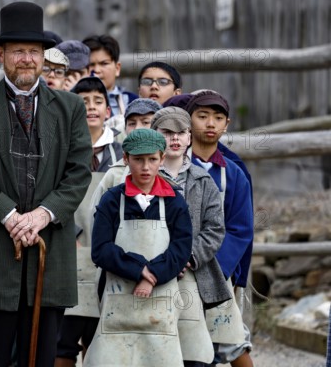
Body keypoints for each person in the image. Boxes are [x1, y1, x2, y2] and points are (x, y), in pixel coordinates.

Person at [0, 1, 93, 367]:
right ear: (1, 55)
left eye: (34, 51)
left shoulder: (70, 108)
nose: (27, 59)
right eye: (18, 51)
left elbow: (78, 173)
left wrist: (43, 216)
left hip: (49, 256)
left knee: (41, 360)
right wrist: (10, 217)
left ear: (44, 57)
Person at [84, 128, 193, 366]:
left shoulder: (175, 201)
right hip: (117, 303)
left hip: (161, 305)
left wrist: (151, 275)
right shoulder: (112, 200)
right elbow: (101, 249)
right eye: (138, 159)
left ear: (162, 159)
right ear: (125, 159)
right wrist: (139, 269)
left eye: (152, 159)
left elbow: (181, 249)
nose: (146, 167)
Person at [150, 107, 231, 366]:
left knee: (194, 353)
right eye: (166, 132)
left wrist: (187, 257)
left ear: (189, 138)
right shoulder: (141, 178)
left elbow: (215, 229)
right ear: (154, 135)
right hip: (148, 274)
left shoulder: (203, 180)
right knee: (153, 347)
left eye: (181, 132)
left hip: (191, 275)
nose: (174, 139)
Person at [55, 76, 122, 367]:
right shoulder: (61, 151)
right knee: (63, 338)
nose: (91, 108)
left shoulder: (121, 153)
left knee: (103, 339)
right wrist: (68, 233)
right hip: (69, 249)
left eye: (98, 101)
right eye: (83, 102)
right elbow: (51, 195)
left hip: (111, 253)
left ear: (108, 111)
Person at [185, 91, 254, 367]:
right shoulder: (173, 165)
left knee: (217, 345)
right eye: (202, 117)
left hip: (216, 272)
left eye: (217, 118)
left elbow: (240, 229)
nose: (210, 124)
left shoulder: (234, 174)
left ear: (227, 124)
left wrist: (215, 268)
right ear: (188, 122)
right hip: (176, 269)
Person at [89, 98, 162, 210]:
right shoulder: (115, 174)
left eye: (146, 122)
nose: (137, 128)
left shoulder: (172, 169)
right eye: (132, 123)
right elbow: (96, 215)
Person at [82, 34, 137, 118]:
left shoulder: (132, 102)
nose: (97, 70)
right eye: (91, 64)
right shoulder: (73, 101)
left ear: (117, 68)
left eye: (104, 63)